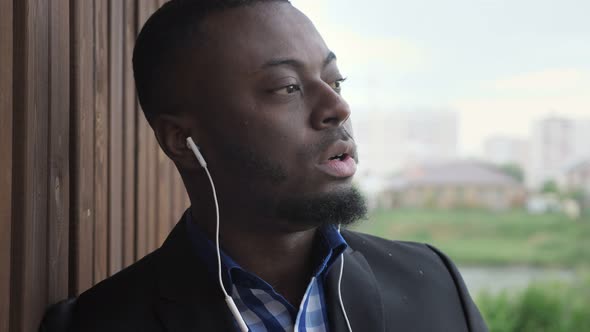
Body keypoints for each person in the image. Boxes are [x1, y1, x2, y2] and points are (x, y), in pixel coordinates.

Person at [56, 0, 488, 331]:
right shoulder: (98, 322)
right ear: (182, 141)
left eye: (334, 80)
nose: (337, 106)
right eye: (288, 87)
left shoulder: (433, 283)